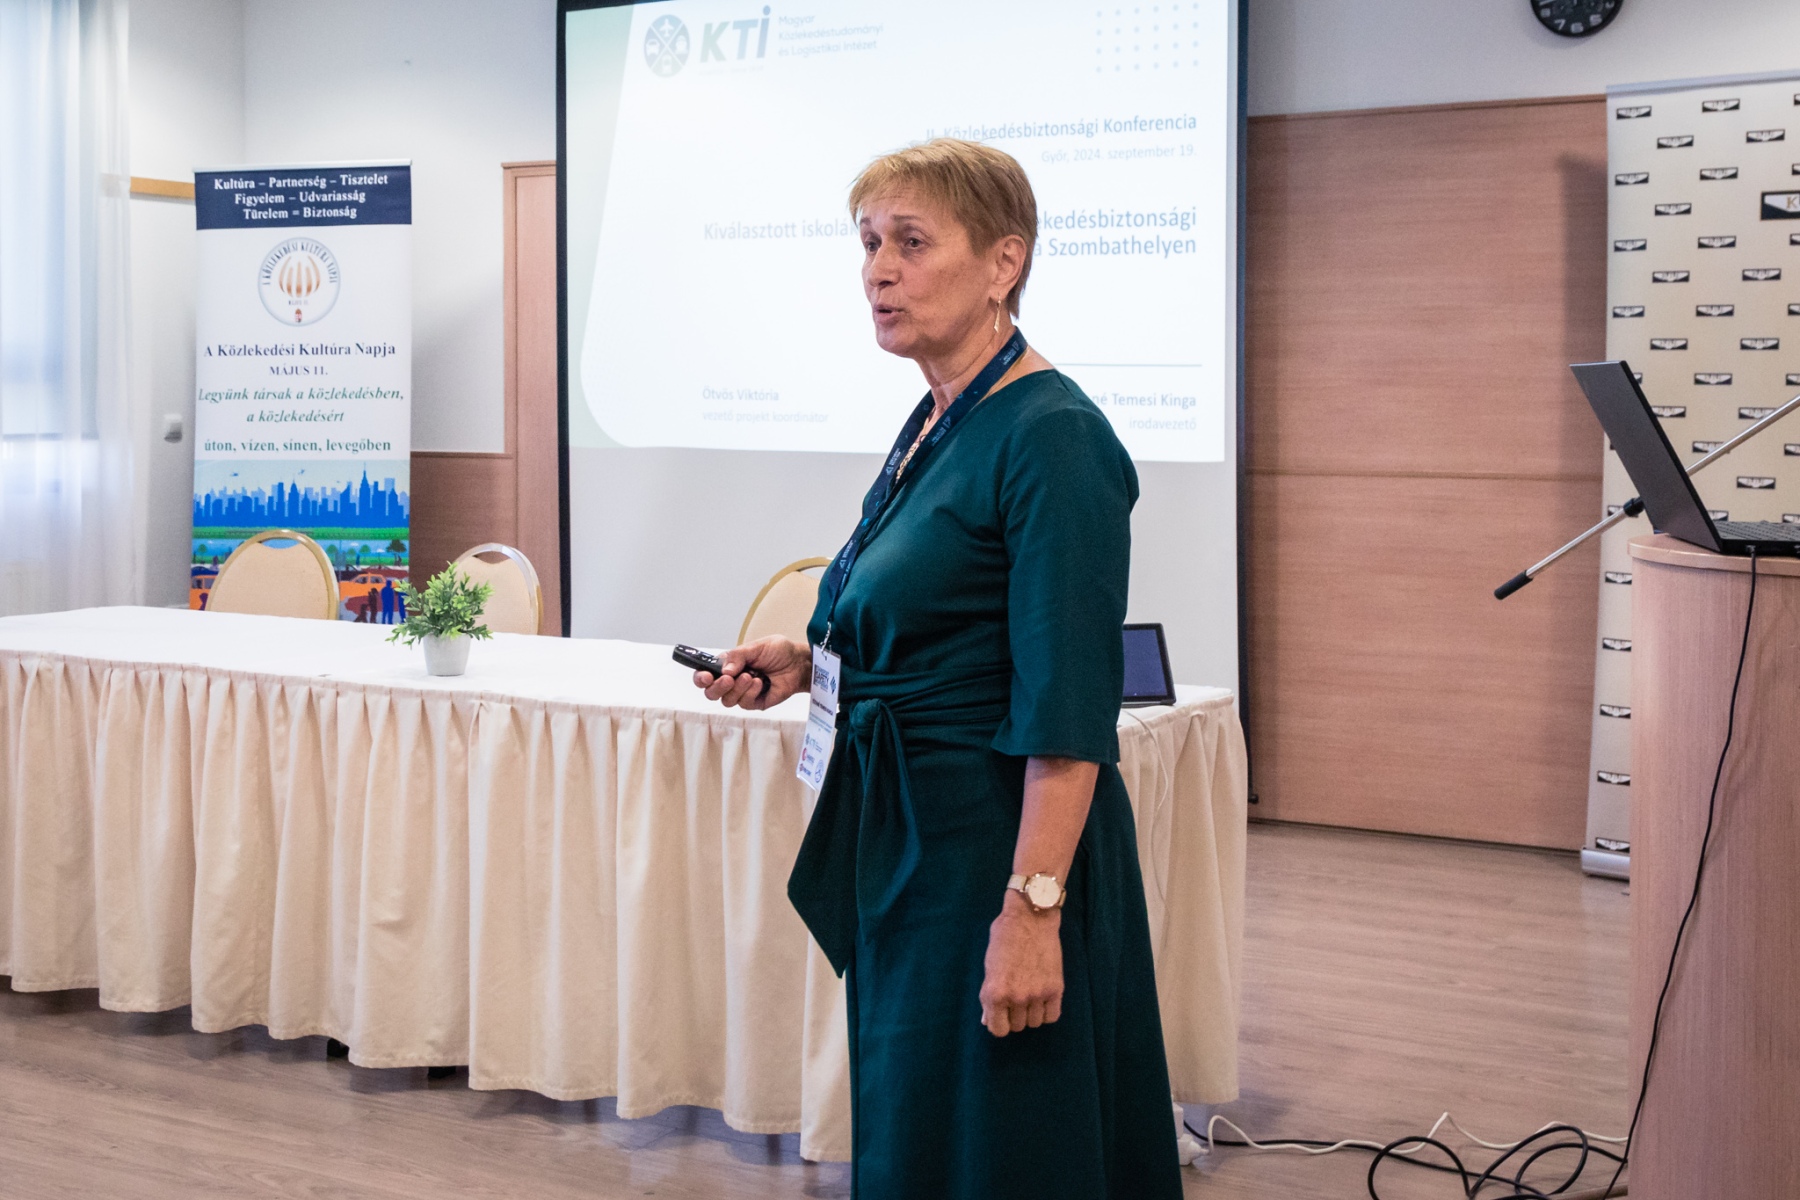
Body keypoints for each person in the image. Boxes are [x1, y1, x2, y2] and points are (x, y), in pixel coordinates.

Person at [691, 138, 1181, 1199]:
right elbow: (938, 616)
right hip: (917, 846)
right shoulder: (940, 415)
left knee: (1004, 1139)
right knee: (926, 1122)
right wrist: (806, 663)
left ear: (1004, 263)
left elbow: (1067, 706)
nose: (879, 270)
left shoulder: (1053, 435)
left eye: (911, 243)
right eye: (869, 242)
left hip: (994, 851)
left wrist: (1032, 912)